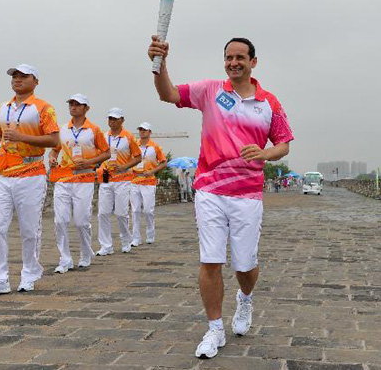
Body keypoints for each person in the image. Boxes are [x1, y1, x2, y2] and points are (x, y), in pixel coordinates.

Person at [148, 36, 294, 359]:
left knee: (245, 266)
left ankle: (245, 296)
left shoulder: (268, 102)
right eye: (229, 57)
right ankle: (215, 328)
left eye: (240, 57)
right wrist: (159, 64)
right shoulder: (210, 91)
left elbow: (284, 143)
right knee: (210, 260)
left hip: (247, 195)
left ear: (253, 62)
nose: (234, 63)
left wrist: (265, 153)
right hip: (210, 190)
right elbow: (168, 94)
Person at [0, 64, 59, 297]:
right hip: (2, 175)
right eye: (15, 76)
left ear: (36, 81)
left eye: (24, 76)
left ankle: (29, 274)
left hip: (30, 174)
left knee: (29, 230)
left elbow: (54, 141)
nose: (18, 79)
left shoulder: (44, 109)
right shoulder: (2, 108)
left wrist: (22, 136)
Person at [49, 94, 110, 272]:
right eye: (71, 104)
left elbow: (106, 153)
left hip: (84, 177)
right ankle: (65, 259)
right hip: (64, 177)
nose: (74, 107)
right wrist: (52, 159)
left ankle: (85, 254)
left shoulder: (94, 130)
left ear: (86, 109)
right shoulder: (62, 129)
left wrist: (91, 162)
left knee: (82, 220)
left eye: (78, 104)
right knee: (60, 220)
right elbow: (54, 151)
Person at [95, 108, 141, 255]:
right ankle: (106, 245)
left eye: (115, 119)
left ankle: (126, 240)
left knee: (121, 213)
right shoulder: (103, 136)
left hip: (123, 179)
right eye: (110, 119)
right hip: (106, 177)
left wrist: (125, 166)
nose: (112, 122)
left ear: (122, 120)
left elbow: (138, 157)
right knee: (102, 213)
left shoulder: (128, 137)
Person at [130, 122, 167, 246]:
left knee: (148, 210)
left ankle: (150, 234)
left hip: (149, 181)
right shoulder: (134, 145)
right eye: (140, 129)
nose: (142, 132)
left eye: (145, 130)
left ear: (150, 132)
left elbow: (163, 163)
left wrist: (152, 170)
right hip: (135, 180)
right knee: (135, 210)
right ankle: (136, 238)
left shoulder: (155, 147)